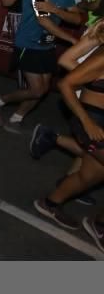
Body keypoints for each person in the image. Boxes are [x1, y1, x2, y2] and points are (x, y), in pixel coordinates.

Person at [0, 0, 86, 133]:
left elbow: (77, 19)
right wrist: (71, 38)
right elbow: (43, 20)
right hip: (28, 43)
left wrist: (55, 9)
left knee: (44, 88)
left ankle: (16, 118)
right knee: (37, 89)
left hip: (47, 45)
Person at [33, 41, 104, 243]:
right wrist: (87, 122)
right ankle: (100, 226)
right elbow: (65, 84)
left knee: (90, 176)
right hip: (91, 121)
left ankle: (50, 204)